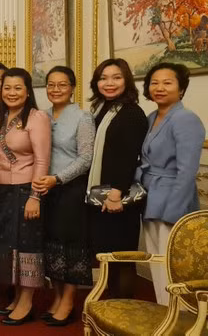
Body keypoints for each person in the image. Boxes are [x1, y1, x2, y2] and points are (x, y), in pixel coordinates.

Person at [137, 62, 205, 305]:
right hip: (151, 196)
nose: (160, 88)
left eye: (167, 83)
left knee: (173, 265)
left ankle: (181, 316)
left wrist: (174, 211)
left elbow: (187, 171)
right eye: (154, 83)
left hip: (172, 200)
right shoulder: (151, 117)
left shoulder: (186, 119)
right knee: (156, 261)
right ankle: (164, 312)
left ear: (181, 89)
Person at [32, 66, 95, 326]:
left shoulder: (83, 117)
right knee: (51, 246)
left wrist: (58, 178)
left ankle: (68, 301)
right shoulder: (41, 116)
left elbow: (86, 158)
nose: (55, 89)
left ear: (72, 88)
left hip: (70, 190)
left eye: (62, 84)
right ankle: (56, 297)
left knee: (71, 247)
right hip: (45, 190)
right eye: (51, 84)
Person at [0, 67, 51, 326]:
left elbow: (42, 159)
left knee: (26, 245)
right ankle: (16, 296)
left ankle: (27, 301)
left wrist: (35, 196)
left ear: (27, 92)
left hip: (25, 189)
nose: (11, 93)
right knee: (8, 245)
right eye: (7, 88)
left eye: (17, 88)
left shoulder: (37, 118)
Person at [86, 58, 148, 299]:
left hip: (118, 197)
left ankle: (125, 307)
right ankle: (111, 306)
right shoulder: (102, 109)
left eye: (116, 77)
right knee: (107, 256)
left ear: (127, 81)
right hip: (101, 194)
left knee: (122, 258)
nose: (109, 83)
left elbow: (128, 157)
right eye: (103, 78)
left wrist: (115, 195)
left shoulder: (132, 113)